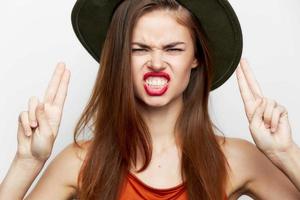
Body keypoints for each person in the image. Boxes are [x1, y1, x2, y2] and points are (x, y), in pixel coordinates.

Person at [0, 0, 299, 199]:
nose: (156, 63)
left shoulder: (237, 159)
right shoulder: (79, 162)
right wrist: (27, 162)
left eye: (173, 49)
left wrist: (286, 153)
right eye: (139, 49)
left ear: (196, 58)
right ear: (120, 58)